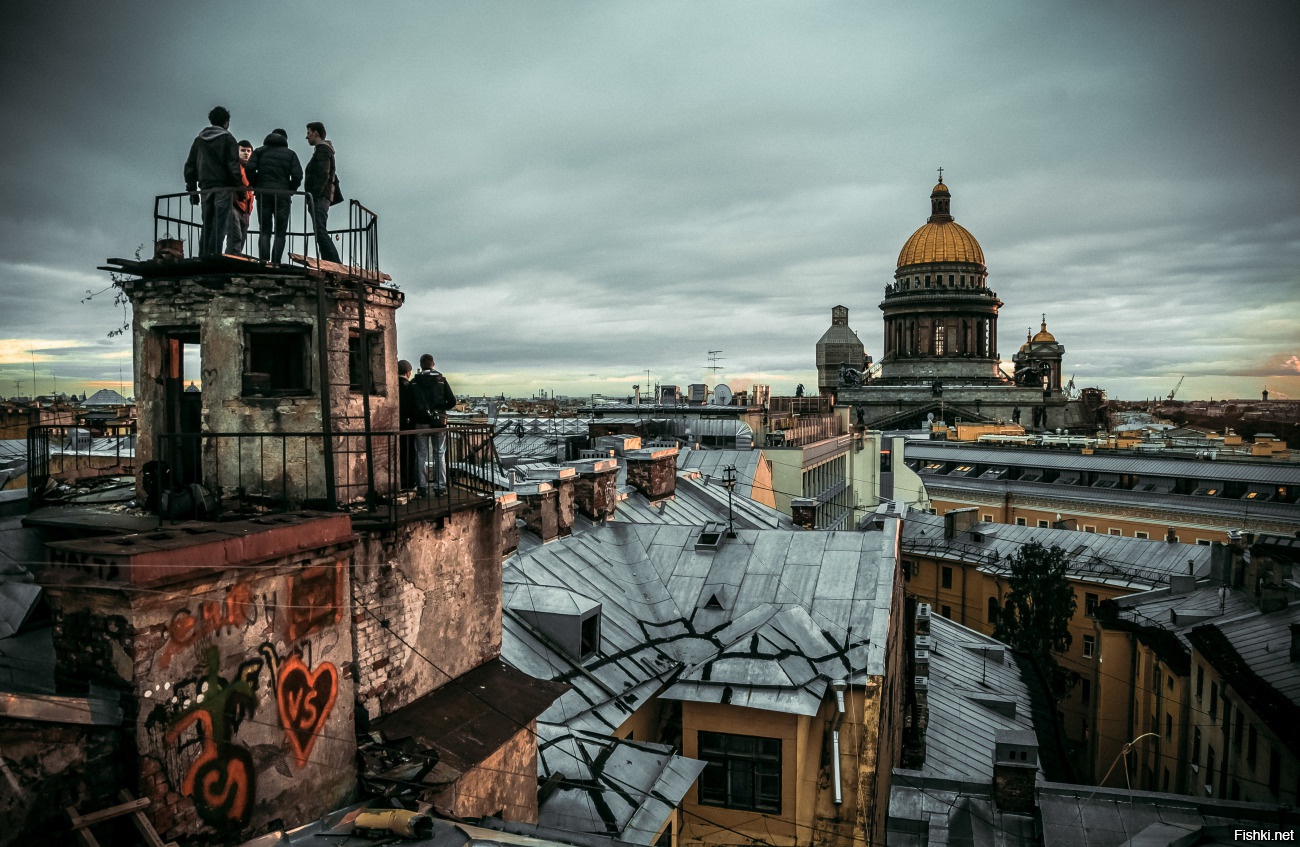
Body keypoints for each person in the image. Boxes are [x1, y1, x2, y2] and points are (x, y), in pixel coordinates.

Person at [183, 106, 243, 256]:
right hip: (223, 188)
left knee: (207, 224)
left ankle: (203, 255)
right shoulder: (228, 139)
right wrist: (239, 190)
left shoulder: (199, 140)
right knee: (219, 224)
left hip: (205, 188)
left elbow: (190, 166)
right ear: (226, 122)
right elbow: (233, 167)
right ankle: (214, 256)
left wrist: (192, 189)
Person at [248, 128, 303, 264]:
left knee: (265, 231)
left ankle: (264, 262)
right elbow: (298, 175)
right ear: (285, 139)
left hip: (264, 194)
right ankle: (275, 263)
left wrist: (257, 185)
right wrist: (290, 189)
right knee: (280, 232)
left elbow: (249, 169)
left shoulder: (260, 151)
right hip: (282, 195)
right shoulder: (290, 154)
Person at [412, 354, 456, 494]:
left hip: (421, 422)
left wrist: (420, 412)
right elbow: (452, 401)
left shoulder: (414, 382)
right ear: (433, 364)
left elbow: (410, 402)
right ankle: (440, 487)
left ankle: (422, 487)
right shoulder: (441, 381)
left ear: (421, 364)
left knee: (421, 454)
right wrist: (441, 408)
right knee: (439, 454)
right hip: (439, 423)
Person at [303, 121, 341, 264]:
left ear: (315, 133)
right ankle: (330, 262)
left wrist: (315, 195)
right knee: (320, 230)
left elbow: (323, 174)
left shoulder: (323, 150)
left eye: (308, 133)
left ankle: (334, 263)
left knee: (320, 230)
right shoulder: (323, 150)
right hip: (322, 196)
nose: (307, 137)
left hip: (320, 197)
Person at [228, 140, 255, 255]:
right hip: (233, 203)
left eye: (248, 151)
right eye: (243, 150)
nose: (246, 153)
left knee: (242, 236)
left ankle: (235, 254)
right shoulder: (234, 167)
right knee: (236, 235)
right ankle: (233, 256)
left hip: (246, 208)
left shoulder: (251, 170)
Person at [397, 359, 420, 491]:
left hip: (396, 424)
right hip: (408, 426)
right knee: (409, 454)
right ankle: (409, 482)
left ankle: (400, 481)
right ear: (408, 372)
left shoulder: (392, 385)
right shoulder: (408, 386)